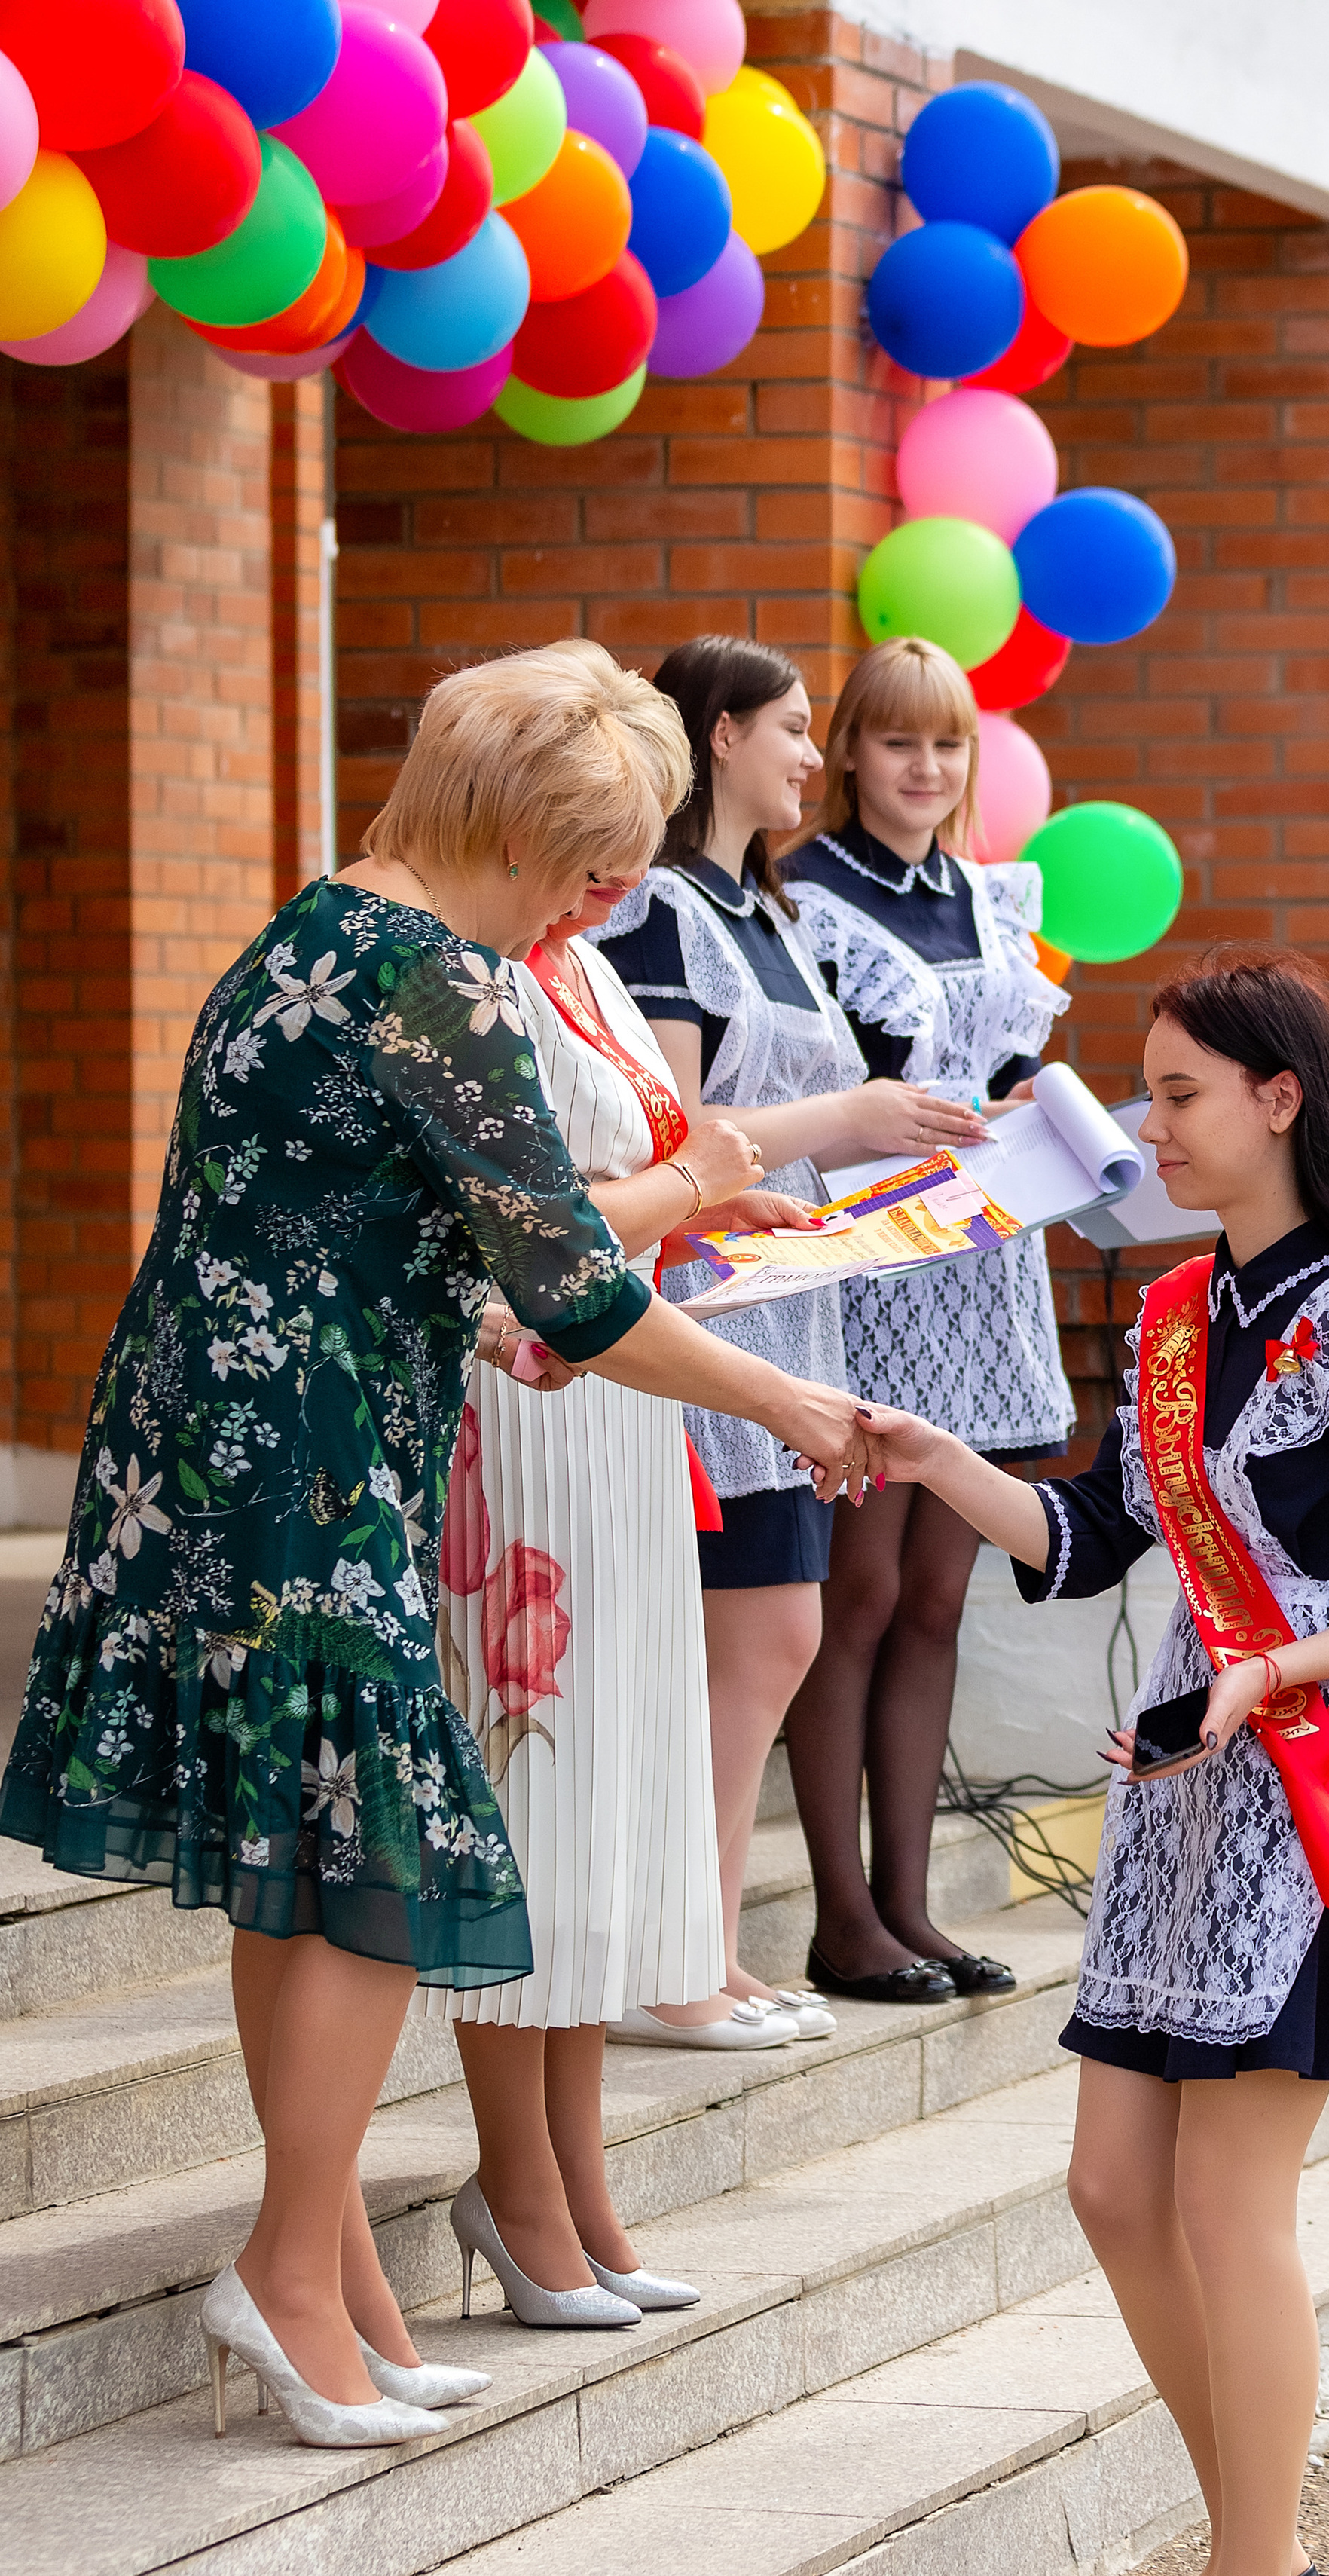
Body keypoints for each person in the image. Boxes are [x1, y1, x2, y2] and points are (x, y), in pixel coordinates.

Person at [0, 638, 876, 2448]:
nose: (604, 896)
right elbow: (570, 1282)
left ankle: (335, 2271)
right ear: (528, 830)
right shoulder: (439, 983)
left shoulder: (313, 924)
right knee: (387, 1856)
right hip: (301, 1460)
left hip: (215, 1439)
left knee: (305, 1860)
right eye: (595, 858)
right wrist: (789, 1409)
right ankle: (289, 2271)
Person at [854, 947, 1329, 2576]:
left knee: (1229, 2214)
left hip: (1304, 1803)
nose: (1148, 1127)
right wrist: (927, 1458)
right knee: (1108, 2190)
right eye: (1147, 1096)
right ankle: (1250, 2538)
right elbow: (1078, 1541)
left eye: (1175, 1096)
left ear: (1277, 1101)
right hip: (1173, 1806)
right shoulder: (1161, 1318)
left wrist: (1271, 1672)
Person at [422, 851, 823, 2326]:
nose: (617, 871)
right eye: (596, 835)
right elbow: (524, 1232)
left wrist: (710, 1212)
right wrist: (687, 1187)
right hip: (525, 1407)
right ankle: (518, 2187)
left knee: (605, 1809)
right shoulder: (469, 972)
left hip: (623, 1398)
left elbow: (620, 1198)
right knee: (539, 1796)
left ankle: (577, 2185)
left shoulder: (584, 964)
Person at [586, 635, 991, 2033]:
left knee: (773, 1633)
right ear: (718, 739)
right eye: (796, 729)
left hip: (795, 1314)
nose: (813, 758)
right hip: (703, 1333)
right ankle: (670, 1957)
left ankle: (698, 1945)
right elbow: (668, 1147)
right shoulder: (657, 911)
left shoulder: (761, 913)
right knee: (752, 1633)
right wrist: (853, 1121)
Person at [778, 638, 1075, 2002]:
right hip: (874, 1263)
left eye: (946, 744)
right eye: (897, 742)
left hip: (988, 1262)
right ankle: (840, 1916)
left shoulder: (989, 896)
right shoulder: (805, 898)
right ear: (846, 752)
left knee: (943, 1597)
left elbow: (1009, 1069)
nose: (924, 767)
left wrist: (1049, 1118)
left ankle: (911, 1905)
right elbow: (822, 1094)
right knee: (864, 1589)